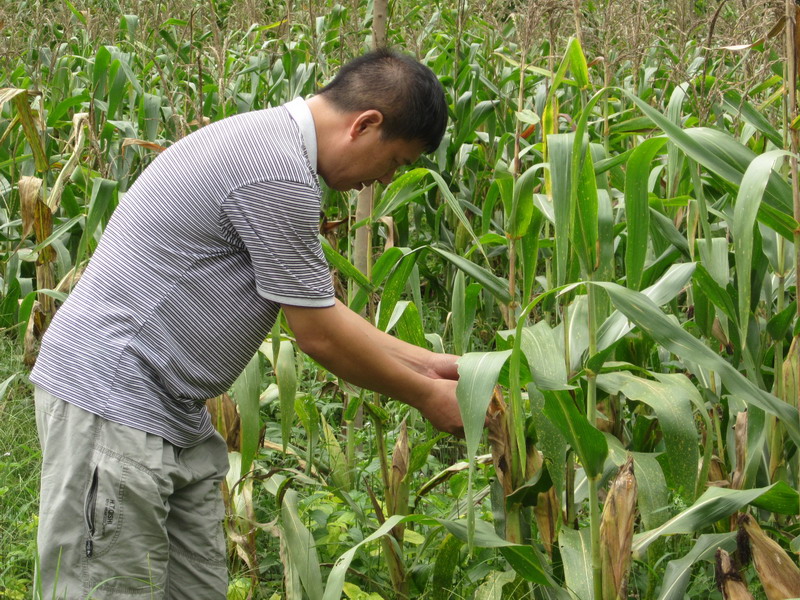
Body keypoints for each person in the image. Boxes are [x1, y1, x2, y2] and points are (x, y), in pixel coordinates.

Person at [30, 48, 462, 599]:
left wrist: (436, 365)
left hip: (169, 414)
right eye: (396, 162)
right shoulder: (275, 172)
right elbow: (319, 335)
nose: (381, 180)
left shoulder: (270, 147)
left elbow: (322, 312)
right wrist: (427, 396)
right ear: (366, 124)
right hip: (113, 404)